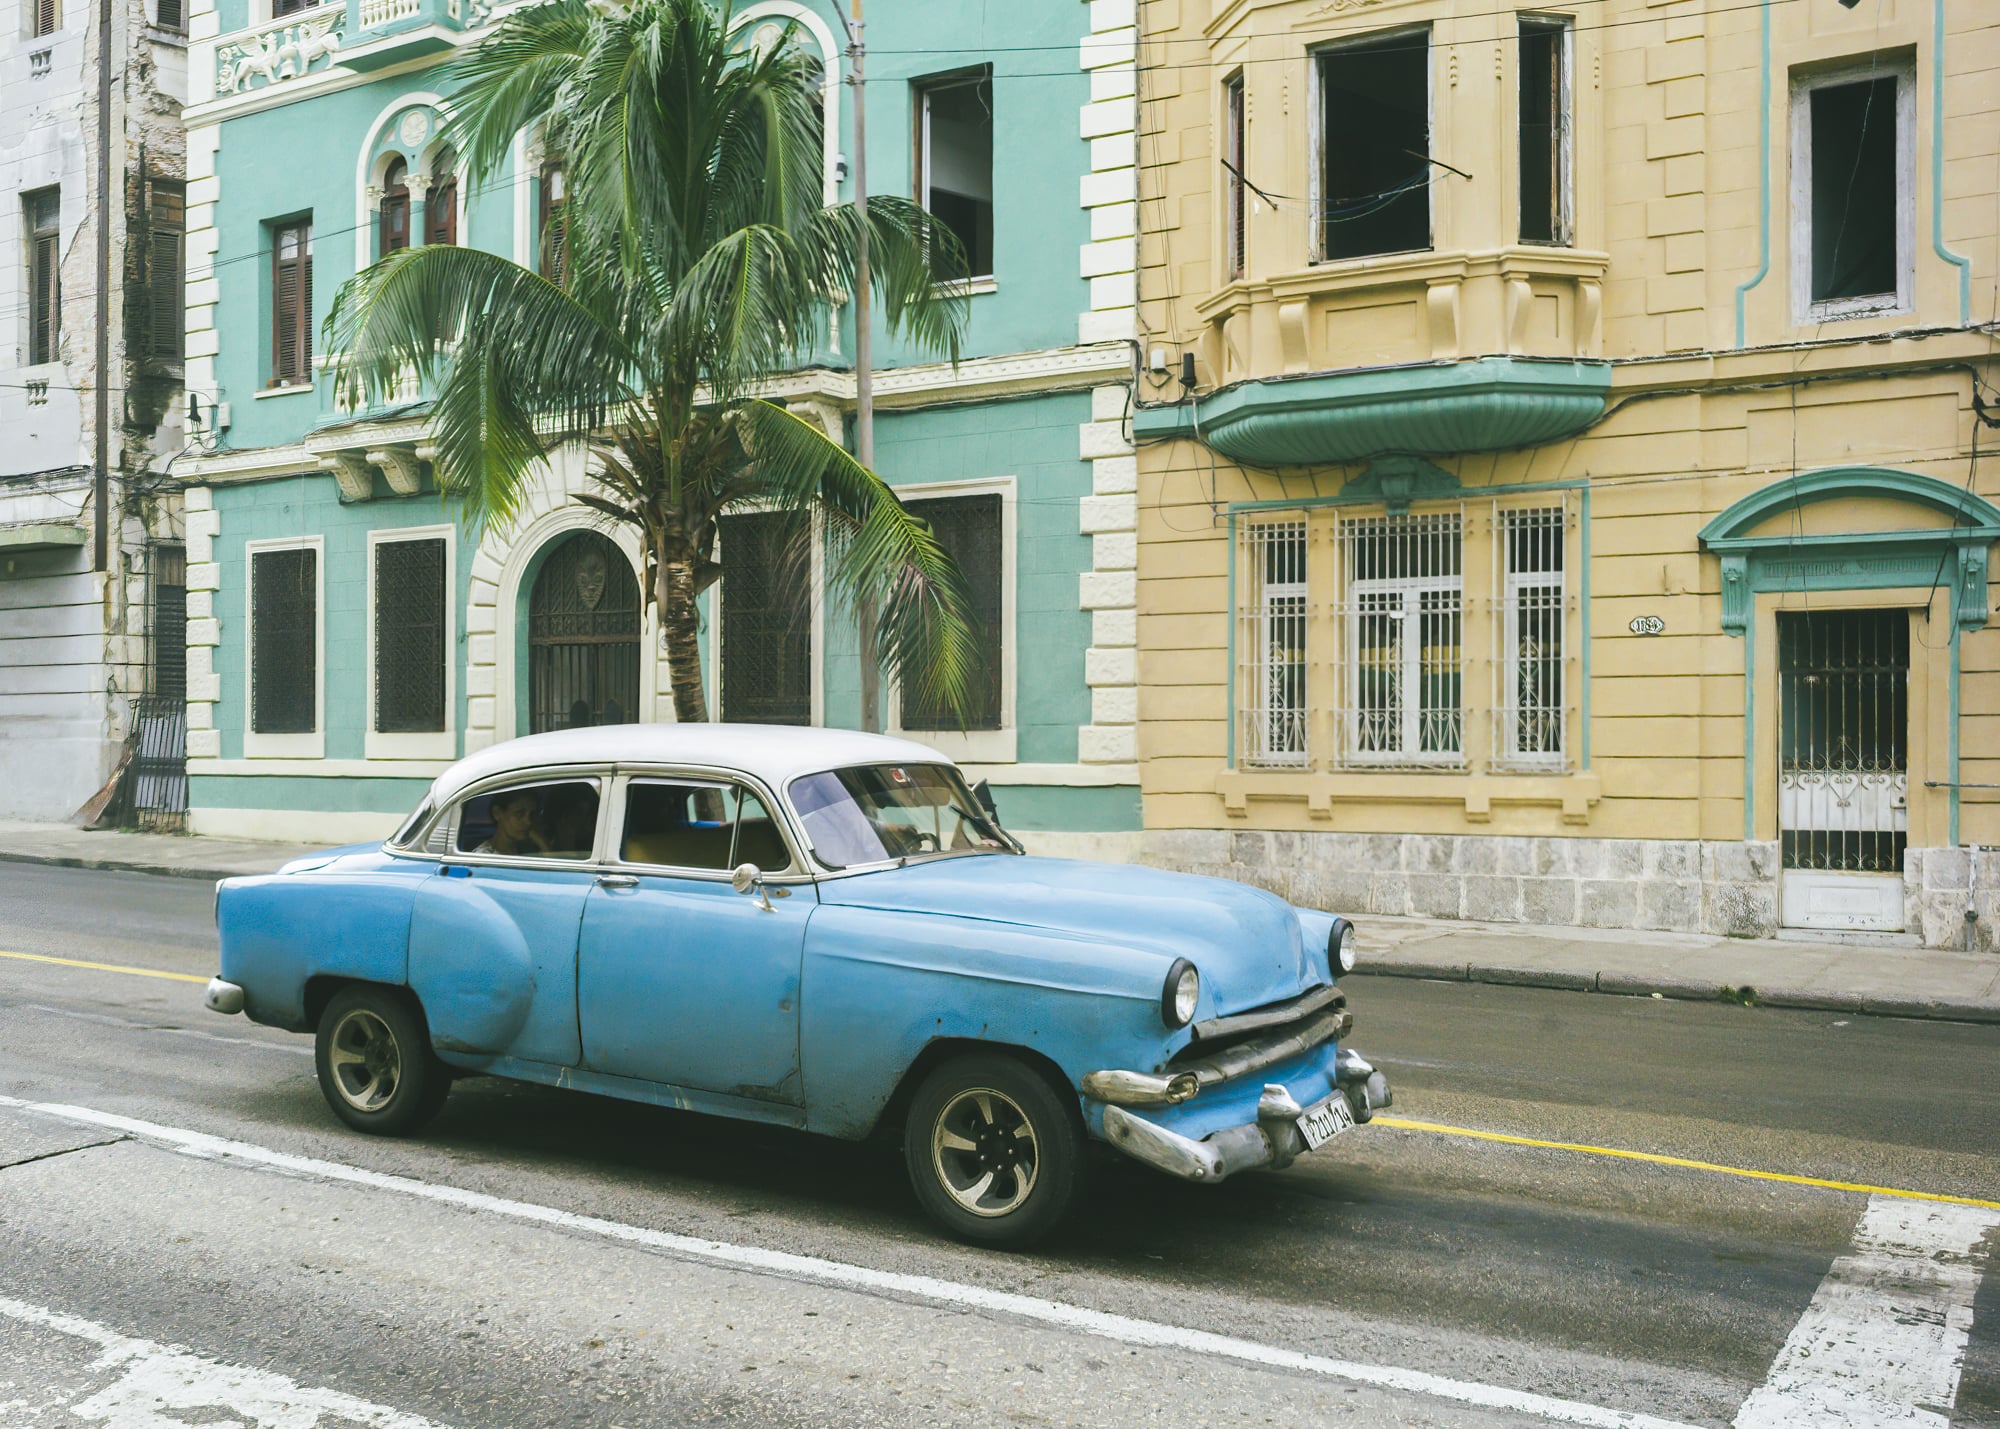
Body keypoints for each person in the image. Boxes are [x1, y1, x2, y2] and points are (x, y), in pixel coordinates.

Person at [475, 788, 550, 856]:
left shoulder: (528, 851)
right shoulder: (483, 857)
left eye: (532, 814)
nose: (528, 822)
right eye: (519, 814)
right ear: (497, 813)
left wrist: (542, 844)